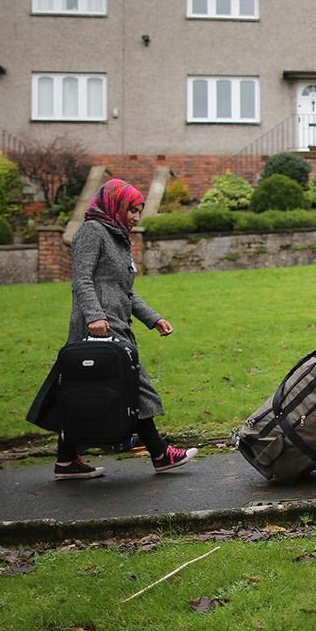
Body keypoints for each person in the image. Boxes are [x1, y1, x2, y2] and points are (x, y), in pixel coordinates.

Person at [51, 178, 196, 479]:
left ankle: (66, 460)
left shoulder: (117, 235)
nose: (135, 217)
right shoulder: (92, 232)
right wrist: (94, 316)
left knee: (86, 388)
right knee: (131, 383)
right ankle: (160, 453)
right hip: (99, 325)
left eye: (139, 211)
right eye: (132, 210)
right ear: (115, 205)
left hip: (115, 320)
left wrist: (153, 318)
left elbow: (124, 290)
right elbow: (82, 279)